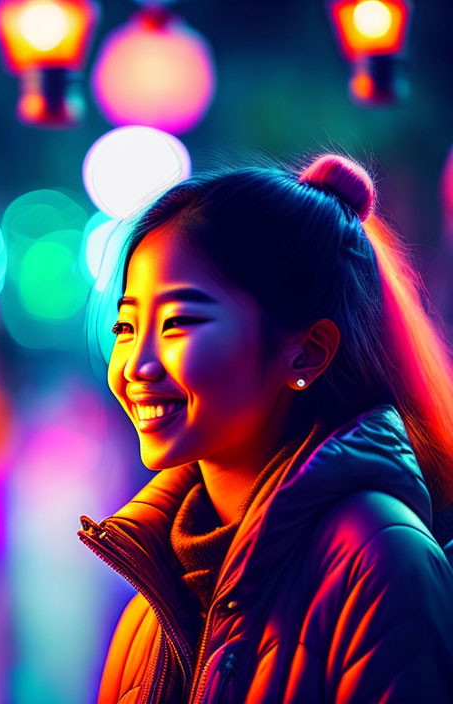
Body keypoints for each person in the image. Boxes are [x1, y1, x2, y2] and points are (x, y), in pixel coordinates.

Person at [78, 153, 453, 703]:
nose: (137, 365)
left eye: (178, 322)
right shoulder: (152, 599)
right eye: (128, 326)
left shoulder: (379, 557)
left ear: (307, 352)